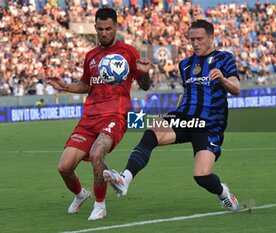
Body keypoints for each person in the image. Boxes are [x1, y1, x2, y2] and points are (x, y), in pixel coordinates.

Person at [103, 19, 241, 212]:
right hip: (184, 117)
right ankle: (124, 179)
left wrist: (223, 79)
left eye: (199, 39)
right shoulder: (185, 64)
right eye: (191, 39)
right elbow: (187, 92)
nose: (195, 43)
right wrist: (175, 113)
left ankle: (224, 193)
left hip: (209, 124)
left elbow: (236, 88)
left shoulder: (224, 59)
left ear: (211, 38)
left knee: (201, 176)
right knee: (152, 131)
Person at [47, 7, 151, 221]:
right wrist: (66, 86)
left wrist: (145, 74)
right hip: (89, 118)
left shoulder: (129, 52)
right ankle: (80, 194)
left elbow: (144, 85)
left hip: (116, 115)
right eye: (100, 29)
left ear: (116, 27)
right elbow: (86, 85)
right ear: (95, 27)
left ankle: (100, 205)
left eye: (109, 29)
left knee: (97, 154)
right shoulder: (91, 56)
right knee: (64, 167)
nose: (104, 33)